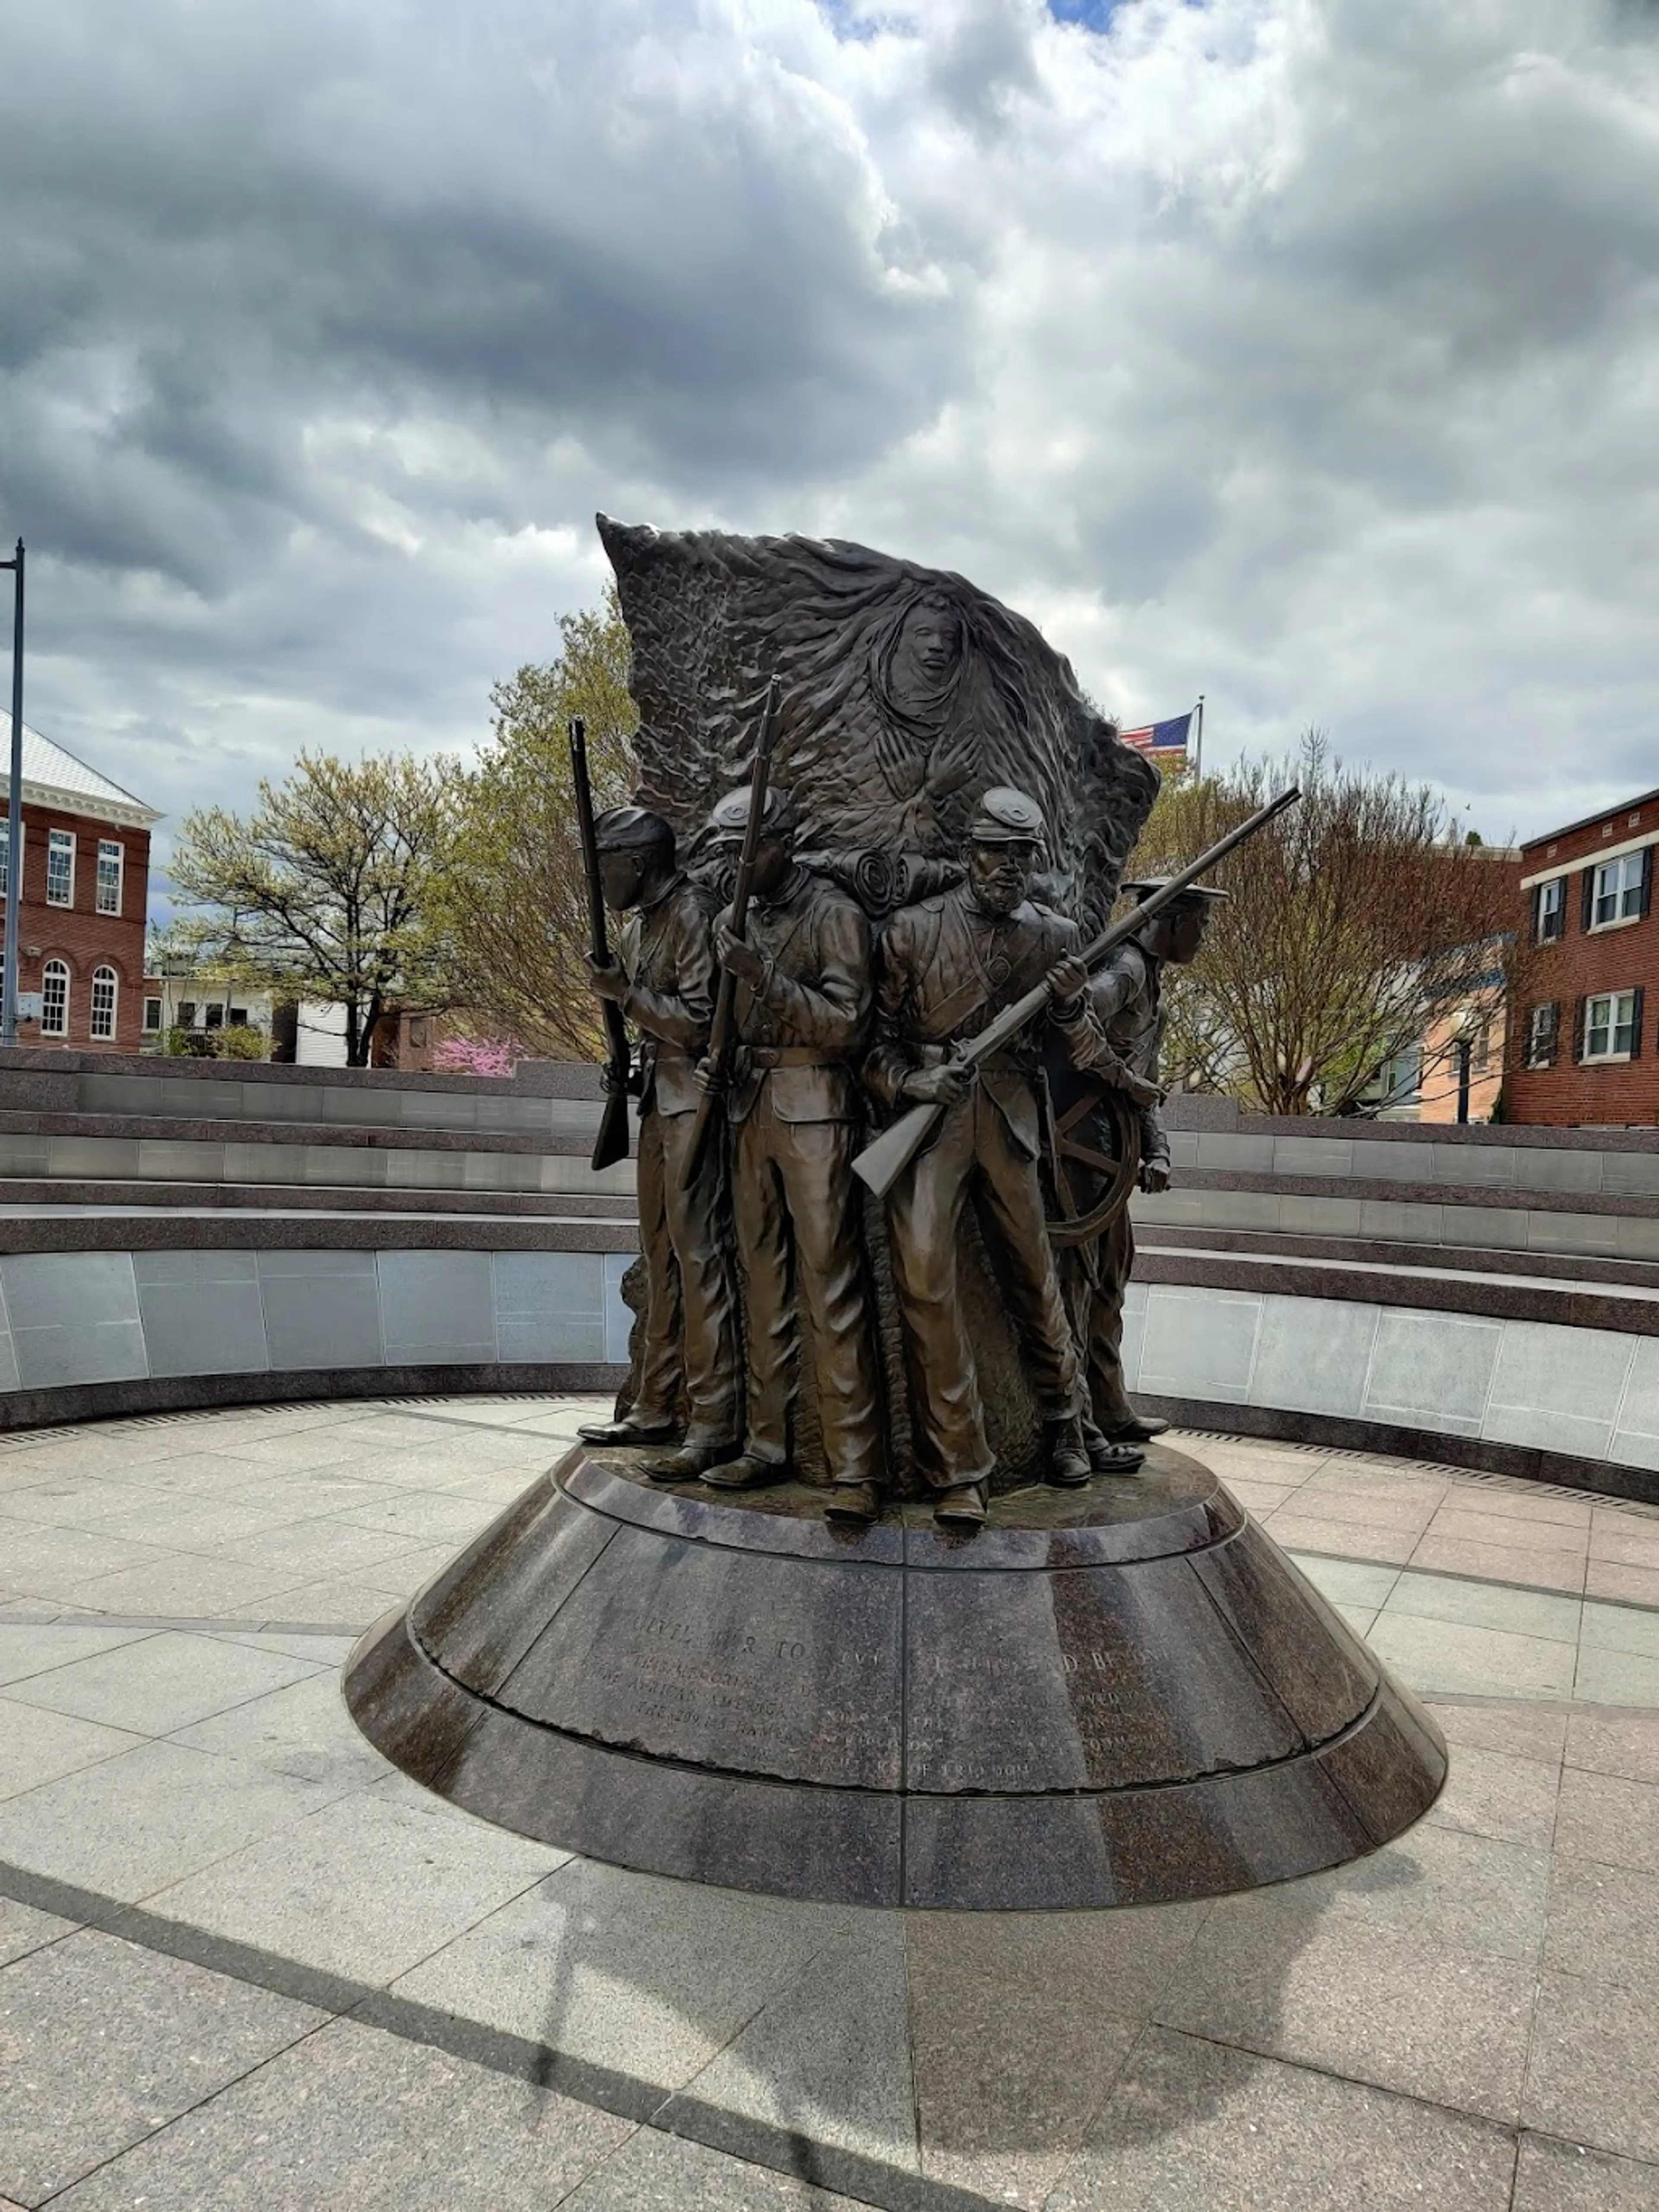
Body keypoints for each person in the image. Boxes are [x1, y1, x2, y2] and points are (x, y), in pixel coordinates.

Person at [864, 786, 1142, 1525]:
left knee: (1034, 1276)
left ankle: (1064, 1424)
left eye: (1022, 856)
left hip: (1012, 1117)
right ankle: (959, 1466)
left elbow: (1076, 1047)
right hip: (931, 1123)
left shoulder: (1054, 938)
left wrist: (1072, 1004)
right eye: (995, 852)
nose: (1007, 868)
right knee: (924, 1280)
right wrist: (914, 1079)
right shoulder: (909, 932)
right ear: (969, 853)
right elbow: (874, 1049)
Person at [697, 786, 887, 1525]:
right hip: (750, 1107)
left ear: (780, 842)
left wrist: (760, 975)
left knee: (832, 1288)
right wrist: (724, 1059)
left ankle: (856, 1467)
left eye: (736, 850)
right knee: (763, 1284)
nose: (725, 866)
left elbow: (847, 1026)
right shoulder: (728, 920)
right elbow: (728, 1018)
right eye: (717, 852)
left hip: (817, 1108)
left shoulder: (835, 913)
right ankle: (767, 1444)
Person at [575, 806, 741, 1473]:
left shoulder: (694, 913)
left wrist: (627, 998)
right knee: (663, 1261)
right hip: (658, 1104)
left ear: (636, 862)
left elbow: (704, 1025)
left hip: (696, 1107)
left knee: (701, 1265)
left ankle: (714, 1421)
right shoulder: (646, 926)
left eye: (604, 864)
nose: (599, 881)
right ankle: (655, 1406)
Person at [1061, 878, 1226, 1444]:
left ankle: (1107, 1405)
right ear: (1172, 921)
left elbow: (1146, 1091)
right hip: (1082, 1156)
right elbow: (1071, 1016)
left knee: (1109, 1282)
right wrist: (1118, 1078)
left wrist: (1156, 1150)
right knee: (1082, 1285)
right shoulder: (1127, 970)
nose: (1203, 936)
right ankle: (1077, 1420)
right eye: (1200, 923)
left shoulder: (1152, 988)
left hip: (1114, 1155)